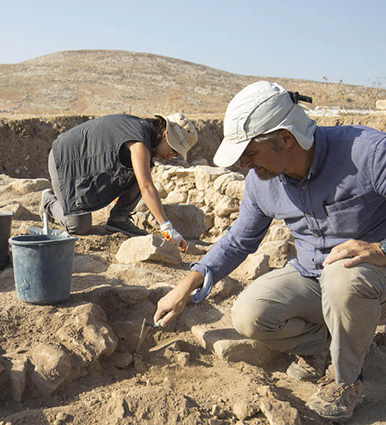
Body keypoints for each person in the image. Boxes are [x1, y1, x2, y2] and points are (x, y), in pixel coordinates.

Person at [153, 80, 386, 421]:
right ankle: (328, 345)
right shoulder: (262, 181)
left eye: (249, 153)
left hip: (372, 278)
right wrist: (186, 285)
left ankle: (346, 379)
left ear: (285, 138)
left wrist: (381, 249)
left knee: (342, 277)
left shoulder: (367, 151)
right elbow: (238, 240)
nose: (245, 165)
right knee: (250, 314)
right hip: (314, 275)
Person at [41, 113, 198, 248]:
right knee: (77, 226)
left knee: (143, 169)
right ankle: (49, 202)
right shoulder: (139, 140)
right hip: (65, 160)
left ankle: (119, 219)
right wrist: (167, 226)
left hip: (87, 162)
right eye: (173, 151)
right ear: (165, 135)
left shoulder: (145, 136)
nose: (171, 157)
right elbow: (146, 187)